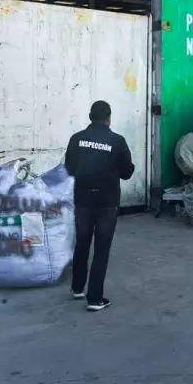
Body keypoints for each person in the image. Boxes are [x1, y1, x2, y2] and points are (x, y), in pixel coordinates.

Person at [64, 100, 135, 311]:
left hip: (82, 200)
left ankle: (77, 288)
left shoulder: (76, 140)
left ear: (90, 116)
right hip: (107, 202)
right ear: (109, 118)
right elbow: (127, 172)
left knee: (82, 244)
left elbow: (68, 168)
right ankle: (95, 299)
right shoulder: (117, 141)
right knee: (102, 249)